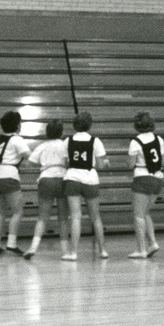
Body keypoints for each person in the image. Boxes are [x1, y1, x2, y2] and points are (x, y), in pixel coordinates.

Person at [63, 111, 110, 261]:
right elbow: (101, 164)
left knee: (75, 217)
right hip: (90, 179)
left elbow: (65, 162)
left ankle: (73, 253)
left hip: (72, 178)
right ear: (90, 125)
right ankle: (102, 250)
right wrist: (106, 163)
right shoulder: (95, 141)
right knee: (95, 217)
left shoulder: (68, 141)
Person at [24, 119, 69, 259]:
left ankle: (33, 247)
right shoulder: (65, 145)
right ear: (61, 132)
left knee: (42, 217)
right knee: (63, 218)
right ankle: (65, 251)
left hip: (46, 178)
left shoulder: (43, 146)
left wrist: (43, 164)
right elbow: (69, 161)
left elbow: (29, 163)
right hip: (63, 178)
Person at [0, 110, 31, 255]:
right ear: (18, 125)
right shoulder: (17, 139)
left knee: (0, 212)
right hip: (9, 175)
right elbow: (28, 156)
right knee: (18, 211)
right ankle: (11, 243)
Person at [127, 111, 164, 258]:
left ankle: (141, 249)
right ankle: (153, 243)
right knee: (146, 213)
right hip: (158, 178)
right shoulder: (159, 139)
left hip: (142, 178)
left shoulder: (135, 141)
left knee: (138, 215)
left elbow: (131, 164)